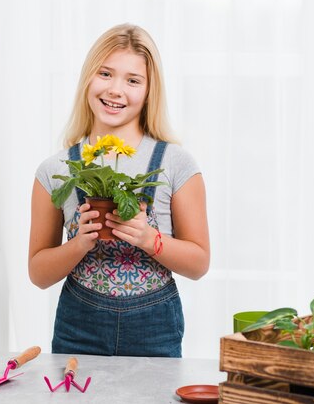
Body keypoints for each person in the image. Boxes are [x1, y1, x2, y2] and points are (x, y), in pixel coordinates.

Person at [28, 24, 210, 357]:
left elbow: (199, 264)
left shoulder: (175, 163)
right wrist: (80, 243)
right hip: (78, 327)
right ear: (88, 79)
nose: (116, 90)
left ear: (149, 90)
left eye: (132, 80)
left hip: (155, 326)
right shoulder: (54, 170)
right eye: (105, 74)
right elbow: (38, 273)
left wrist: (148, 238)